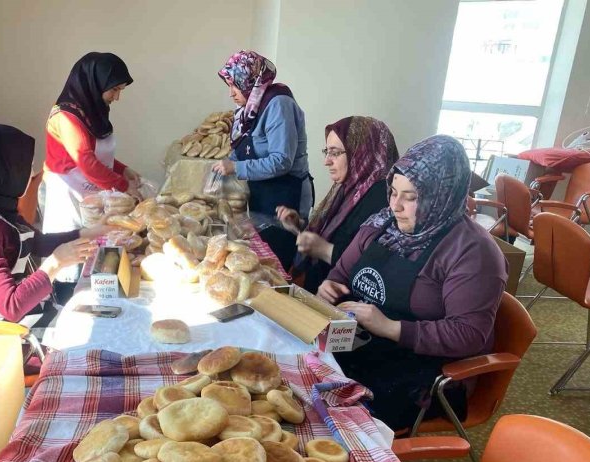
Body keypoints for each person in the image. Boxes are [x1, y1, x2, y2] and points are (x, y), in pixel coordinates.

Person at [318, 135, 507, 430]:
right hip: (366, 346)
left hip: (425, 371)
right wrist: (330, 286)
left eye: (411, 197)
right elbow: (341, 272)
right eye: (393, 192)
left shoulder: (473, 252)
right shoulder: (381, 225)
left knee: (332, 418)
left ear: (441, 195)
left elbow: (470, 334)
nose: (396, 206)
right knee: (300, 381)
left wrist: (391, 327)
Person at [0, 124, 101, 337]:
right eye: (26, 166)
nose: (31, 173)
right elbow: (11, 306)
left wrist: (92, 232)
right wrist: (56, 263)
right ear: (3, 169)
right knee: (93, 337)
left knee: (96, 322)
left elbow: (35, 241)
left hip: (14, 313)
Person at [43, 52, 141, 297]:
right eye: (114, 90)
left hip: (88, 193)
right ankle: (65, 304)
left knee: (93, 248)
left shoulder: (92, 111)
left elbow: (99, 154)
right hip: (65, 194)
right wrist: (122, 185)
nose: (116, 97)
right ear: (94, 83)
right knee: (71, 254)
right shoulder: (66, 116)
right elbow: (85, 161)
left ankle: (94, 297)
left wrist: (123, 168)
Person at [214, 50, 310, 270]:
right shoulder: (250, 108)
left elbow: (281, 161)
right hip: (264, 191)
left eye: (234, 85)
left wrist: (236, 167)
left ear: (249, 80)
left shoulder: (278, 104)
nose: (231, 93)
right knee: (262, 257)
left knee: (276, 264)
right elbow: (244, 147)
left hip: (286, 195)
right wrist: (225, 164)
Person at [279, 116, 398, 294]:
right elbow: (338, 235)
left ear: (361, 151)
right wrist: (300, 226)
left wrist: (325, 250)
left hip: (343, 308)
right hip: (318, 291)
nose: (326, 161)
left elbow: (375, 267)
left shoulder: (385, 198)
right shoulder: (349, 187)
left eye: (335, 153)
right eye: (326, 151)